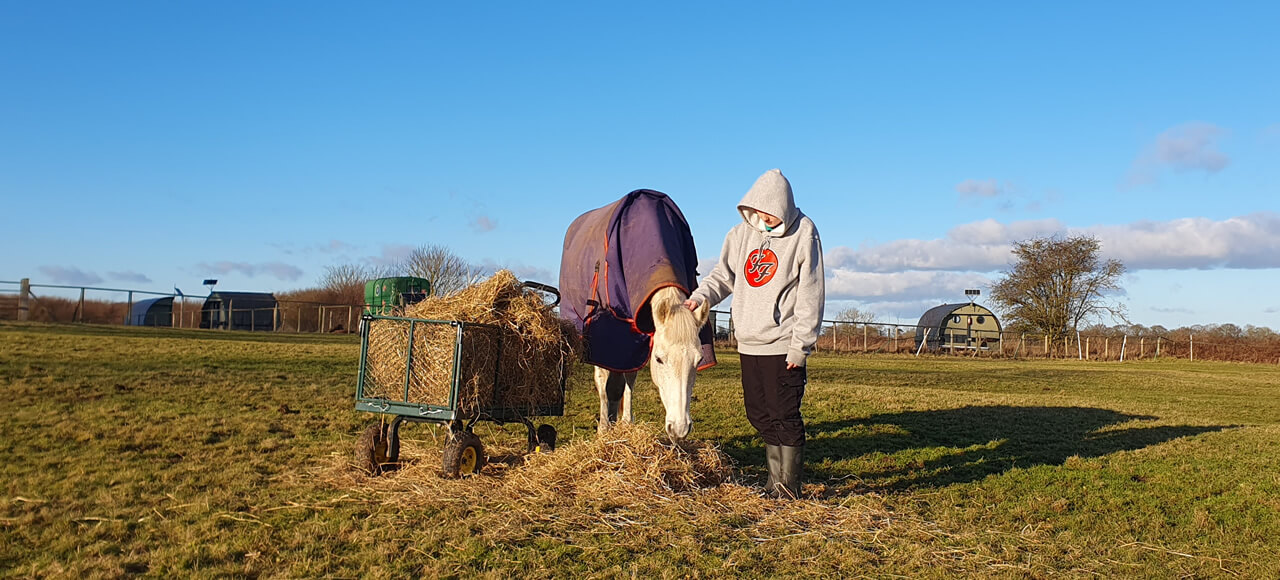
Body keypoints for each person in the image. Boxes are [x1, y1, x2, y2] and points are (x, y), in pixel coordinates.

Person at [684, 169, 825, 499]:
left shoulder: (804, 233)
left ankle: (788, 487)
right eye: (759, 214)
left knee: (784, 414)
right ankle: (773, 482)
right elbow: (723, 276)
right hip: (749, 342)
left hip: (783, 343)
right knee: (759, 413)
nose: (764, 221)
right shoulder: (740, 234)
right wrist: (701, 296)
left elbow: (811, 292)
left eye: (771, 216)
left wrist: (799, 347)